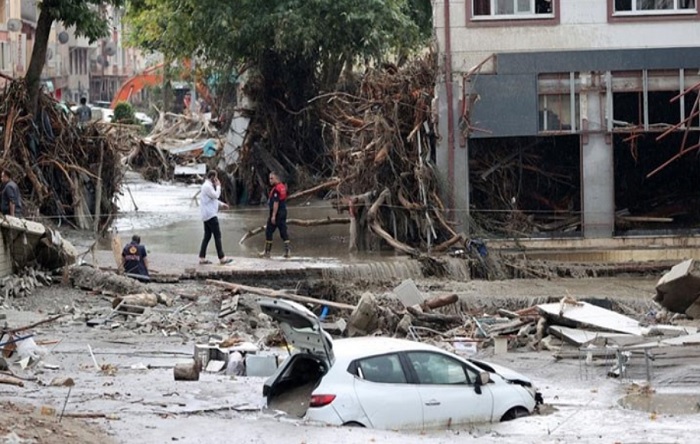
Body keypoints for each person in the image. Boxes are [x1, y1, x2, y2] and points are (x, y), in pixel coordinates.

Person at [199, 170, 233, 265]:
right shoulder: (207, 186)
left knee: (207, 236)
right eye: (216, 178)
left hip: (207, 214)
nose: (217, 180)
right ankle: (222, 258)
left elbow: (212, 200)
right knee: (217, 235)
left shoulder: (207, 186)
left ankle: (202, 258)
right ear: (213, 178)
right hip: (210, 215)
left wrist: (222, 204)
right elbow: (216, 195)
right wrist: (218, 186)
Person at [261, 171, 290, 258]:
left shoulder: (276, 189)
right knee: (283, 231)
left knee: (268, 232)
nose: (270, 180)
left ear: (277, 178)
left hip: (277, 213)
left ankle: (267, 252)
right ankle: (287, 251)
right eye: (269, 178)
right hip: (283, 212)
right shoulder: (282, 187)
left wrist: (273, 216)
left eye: (271, 178)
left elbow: (276, 203)